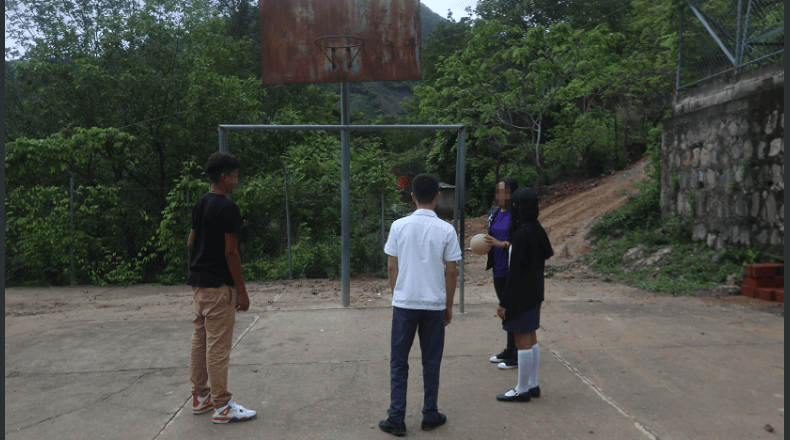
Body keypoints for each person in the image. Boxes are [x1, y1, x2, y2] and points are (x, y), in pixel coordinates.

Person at [379, 173, 463, 436]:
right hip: (434, 305)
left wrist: (398, 294)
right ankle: (430, 414)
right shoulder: (447, 230)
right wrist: (448, 305)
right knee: (431, 360)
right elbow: (452, 271)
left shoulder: (398, 226)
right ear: (438, 196)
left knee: (399, 362)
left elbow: (392, 265)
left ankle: (396, 418)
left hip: (405, 304)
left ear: (413, 197)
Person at [186, 151, 256, 423]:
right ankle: (223, 406)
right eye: (235, 175)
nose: (238, 179)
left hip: (199, 287)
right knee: (217, 348)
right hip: (219, 288)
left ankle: (200, 397)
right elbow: (231, 252)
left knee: (200, 342)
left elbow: (192, 242)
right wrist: (242, 290)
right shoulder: (227, 208)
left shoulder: (201, 202)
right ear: (225, 177)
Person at [494, 187, 554, 402]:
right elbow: (547, 252)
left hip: (521, 296)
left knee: (522, 340)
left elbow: (515, 273)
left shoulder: (521, 234)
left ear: (518, 207)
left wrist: (504, 302)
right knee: (531, 337)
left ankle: (522, 389)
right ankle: (533, 384)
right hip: (536, 292)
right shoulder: (536, 229)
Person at [482, 178, 520, 369]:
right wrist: (481, 246)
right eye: (498, 191)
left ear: (512, 193)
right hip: (498, 268)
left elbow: (522, 243)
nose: (500, 195)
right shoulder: (494, 214)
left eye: (504, 191)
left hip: (512, 269)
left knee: (512, 310)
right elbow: (490, 238)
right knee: (505, 312)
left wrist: (501, 244)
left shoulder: (518, 215)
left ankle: (516, 354)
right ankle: (509, 348)